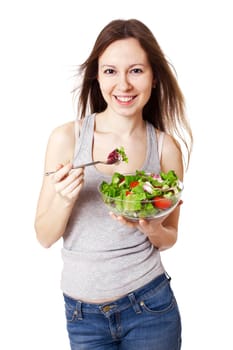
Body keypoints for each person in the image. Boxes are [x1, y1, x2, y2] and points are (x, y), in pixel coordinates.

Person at [34, 18, 193, 350]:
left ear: (154, 77)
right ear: (97, 76)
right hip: (82, 316)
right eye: (110, 71)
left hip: (149, 307)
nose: (124, 84)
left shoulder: (165, 148)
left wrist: (151, 227)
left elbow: (169, 238)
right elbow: (44, 236)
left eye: (136, 70)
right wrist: (63, 198)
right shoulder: (68, 138)